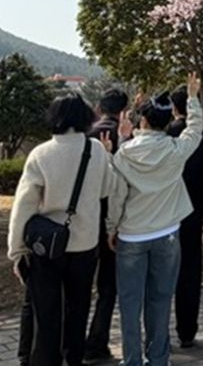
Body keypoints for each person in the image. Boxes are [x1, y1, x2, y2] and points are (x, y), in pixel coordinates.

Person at [8, 93, 115, 366]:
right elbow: (106, 189)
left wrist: (17, 251)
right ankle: (73, 358)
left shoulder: (41, 153)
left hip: (47, 246)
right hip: (84, 244)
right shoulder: (96, 150)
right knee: (78, 309)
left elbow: (23, 206)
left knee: (46, 314)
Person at [107, 73, 203, 366]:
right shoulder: (176, 150)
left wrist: (111, 228)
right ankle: (159, 357)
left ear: (144, 121)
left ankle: (132, 359)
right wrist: (192, 99)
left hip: (132, 235)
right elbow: (195, 129)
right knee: (160, 300)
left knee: (129, 303)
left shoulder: (124, 154)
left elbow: (116, 198)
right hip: (167, 234)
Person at [167, 84, 203, 348]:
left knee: (160, 274)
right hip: (194, 211)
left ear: (173, 107)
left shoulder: (166, 134)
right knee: (190, 272)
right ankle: (187, 330)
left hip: (165, 213)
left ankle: (156, 332)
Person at [84, 87, 128, 363]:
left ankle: (71, 342)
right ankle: (96, 342)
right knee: (107, 287)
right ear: (123, 111)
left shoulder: (87, 135)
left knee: (78, 286)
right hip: (114, 220)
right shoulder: (126, 137)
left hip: (85, 217)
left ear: (100, 107)